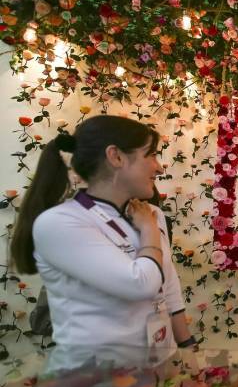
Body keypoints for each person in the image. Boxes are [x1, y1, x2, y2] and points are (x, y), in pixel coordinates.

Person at [10, 115, 198, 350]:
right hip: (98, 366)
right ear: (116, 156)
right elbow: (140, 285)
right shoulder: (60, 222)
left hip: (157, 358)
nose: (159, 167)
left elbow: (167, 285)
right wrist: (149, 231)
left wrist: (186, 345)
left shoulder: (149, 214)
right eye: (151, 155)